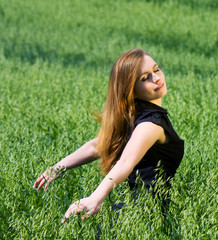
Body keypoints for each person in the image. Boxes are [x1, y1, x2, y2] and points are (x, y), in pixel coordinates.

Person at [33, 48, 184, 223]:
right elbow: (125, 161)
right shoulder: (150, 124)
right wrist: (96, 197)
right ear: (131, 89)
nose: (156, 78)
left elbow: (98, 145)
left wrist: (57, 168)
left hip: (132, 212)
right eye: (145, 78)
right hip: (144, 217)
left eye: (156, 69)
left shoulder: (135, 114)